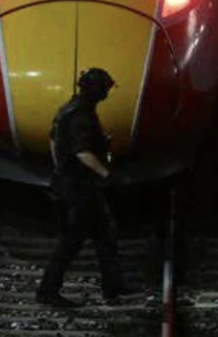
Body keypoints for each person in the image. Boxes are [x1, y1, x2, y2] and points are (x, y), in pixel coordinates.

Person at [36, 67, 134, 307]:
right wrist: (106, 173)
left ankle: (113, 286)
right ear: (97, 90)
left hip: (74, 184)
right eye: (105, 90)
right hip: (77, 188)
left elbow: (52, 139)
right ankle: (47, 291)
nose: (107, 94)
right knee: (71, 241)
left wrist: (60, 165)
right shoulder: (82, 116)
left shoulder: (69, 109)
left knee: (104, 236)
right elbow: (82, 152)